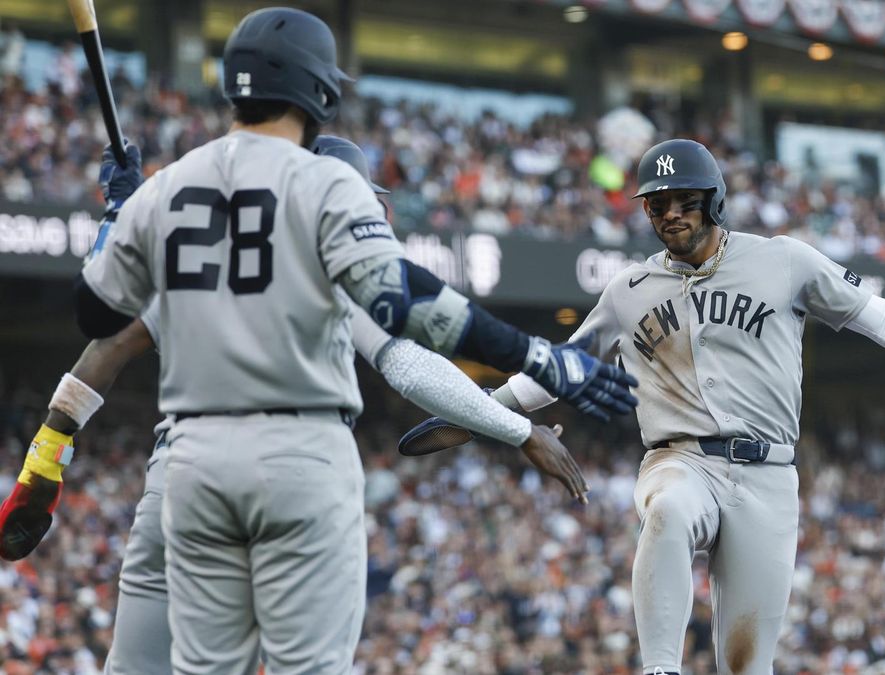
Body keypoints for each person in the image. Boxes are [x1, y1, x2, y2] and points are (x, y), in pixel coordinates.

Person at [67, 8, 634, 673]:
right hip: (297, 459)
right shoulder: (321, 186)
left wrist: (120, 216)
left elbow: (96, 317)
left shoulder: (172, 191)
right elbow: (407, 328)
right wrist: (536, 363)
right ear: (317, 92)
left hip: (189, 466)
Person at [398, 138, 885, 675]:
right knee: (667, 510)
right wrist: (478, 412)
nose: (670, 214)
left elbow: (880, 317)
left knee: (748, 663)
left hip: (768, 475)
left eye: (683, 201)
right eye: (657, 205)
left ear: (714, 201)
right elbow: (561, 369)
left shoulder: (784, 261)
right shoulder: (628, 289)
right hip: (679, 458)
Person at [0, 134, 587, 672]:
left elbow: (108, 338)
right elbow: (408, 365)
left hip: (183, 474)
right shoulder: (333, 259)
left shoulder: (204, 252)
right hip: (291, 473)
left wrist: (45, 457)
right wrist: (520, 430)